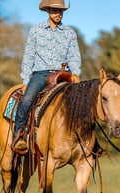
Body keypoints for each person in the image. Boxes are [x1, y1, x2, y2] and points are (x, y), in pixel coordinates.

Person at [12, 0, 81, 154]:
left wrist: (76, 72)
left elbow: (74, 56)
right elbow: (29, 56)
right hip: (41, 74)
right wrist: (25, 80)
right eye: (55, 11)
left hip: (64, 75)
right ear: (48, 11)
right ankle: (19, 135)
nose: (58, 14)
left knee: (81, 101)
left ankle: (85, 139)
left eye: (61, 11)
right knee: (27, 99)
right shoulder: (36, 30)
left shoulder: (70, 33)